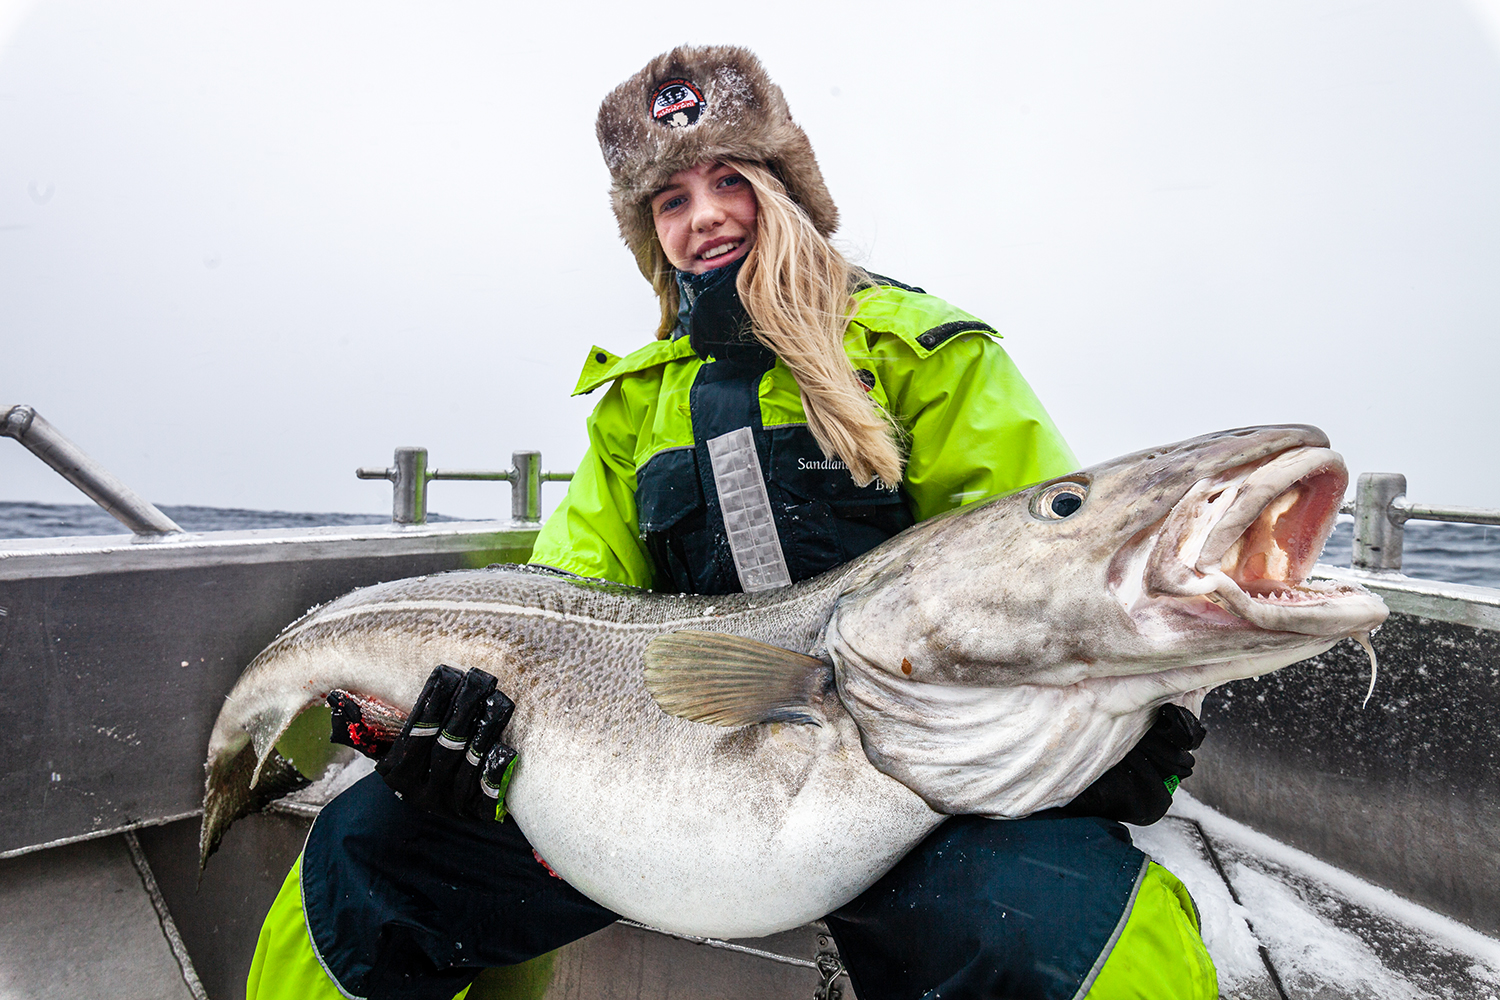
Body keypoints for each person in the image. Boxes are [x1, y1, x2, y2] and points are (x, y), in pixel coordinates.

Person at [246, 45, 1217, 1000]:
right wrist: (456, 720)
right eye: (670, 200)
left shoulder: (930, 354)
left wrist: (1133, 709)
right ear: (650, 234)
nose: (704, 216)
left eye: (729, 179)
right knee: (364, 865)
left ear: (784, 185)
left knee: (1075, 932)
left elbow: (1044, 565)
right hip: (672, 796)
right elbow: (562, 607)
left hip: (921, 793)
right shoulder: (632, 412)